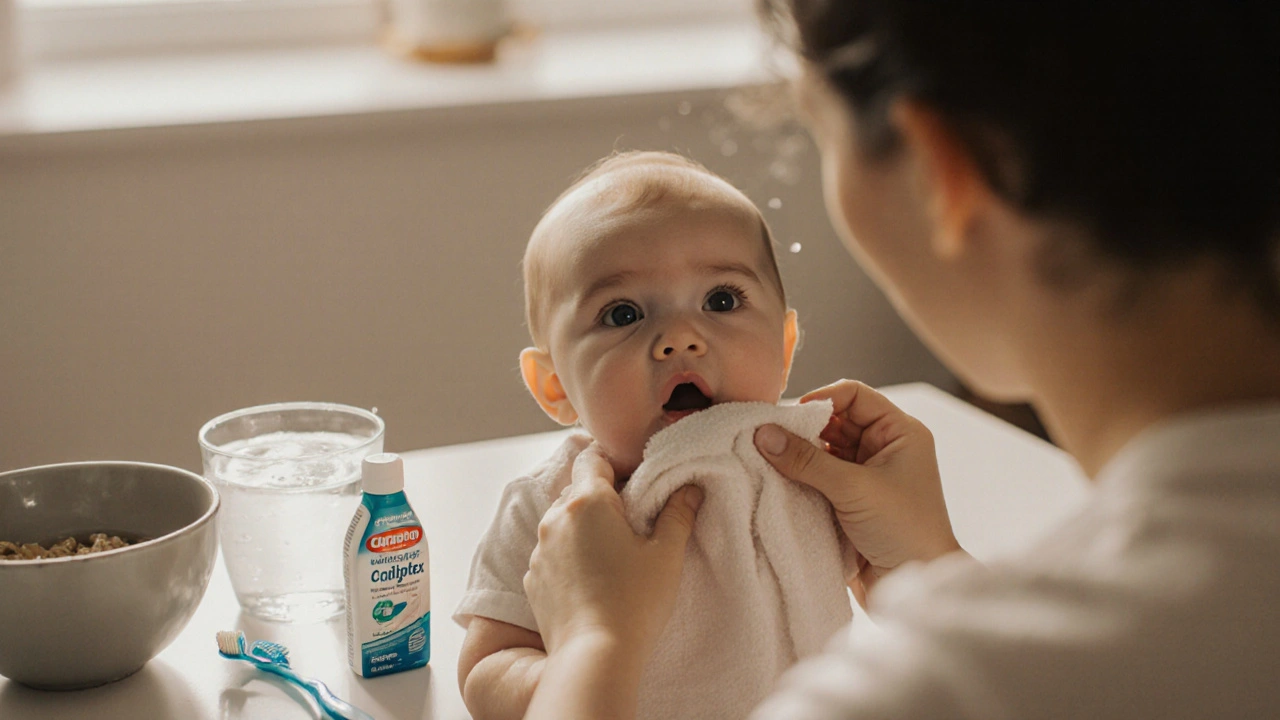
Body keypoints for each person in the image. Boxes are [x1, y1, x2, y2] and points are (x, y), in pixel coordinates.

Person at [520, 2, 1280, 719]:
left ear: (938, 169)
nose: (682, 337)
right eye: (623, 313)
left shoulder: (934, 692)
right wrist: (935, 563)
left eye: (819, 132)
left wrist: (594, 643)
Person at [454, 150, 812, 720]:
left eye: (721, 299)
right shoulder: (554, 509)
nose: (680, 337)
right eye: (622, 314)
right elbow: (485, 669)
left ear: (786, 346)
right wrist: (572, 664)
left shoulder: (809, 470)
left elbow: (910, 604)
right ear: (554, 387)